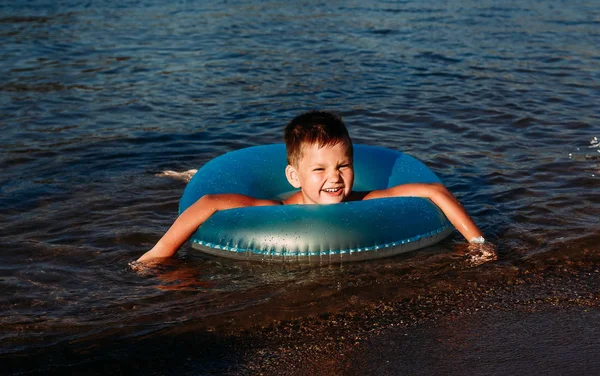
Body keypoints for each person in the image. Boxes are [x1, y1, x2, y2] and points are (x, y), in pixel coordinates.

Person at [136, 111, 496, 264]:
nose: (334, 178)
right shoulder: (275, 210)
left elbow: (433, 192)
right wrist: (158, 254)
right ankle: (185, 172)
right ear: (295, 176)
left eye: (343, 166)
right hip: (281, 205)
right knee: (195, 181)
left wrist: (477, 243)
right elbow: (211, 201)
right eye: (320, 169)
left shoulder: (364, 198)